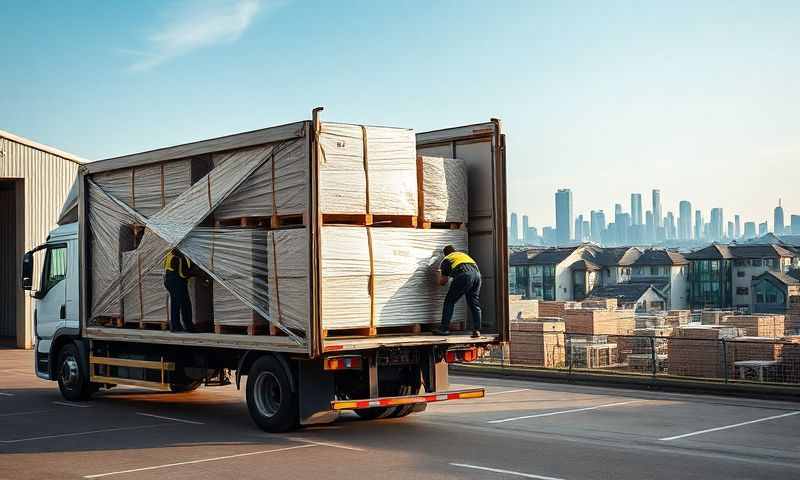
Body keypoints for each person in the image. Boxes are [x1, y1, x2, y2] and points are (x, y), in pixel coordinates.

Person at [435, 245, 481, 338]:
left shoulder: (446, 259)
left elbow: (443, 282)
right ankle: (477, 330)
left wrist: (439, 273)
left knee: (449, 301)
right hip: (477, 276)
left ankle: (444, 329)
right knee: (474, 304)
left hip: (464, 275)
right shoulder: (462, 255)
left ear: (445, 254)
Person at [163, 249, 194, 332]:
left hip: (169, 280)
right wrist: (195, 273)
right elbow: (183, 273)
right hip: (177, 281)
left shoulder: (169, 254)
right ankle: (183, 326)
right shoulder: (178, 256)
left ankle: (179, 326)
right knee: (182, 303)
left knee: (179, 303)